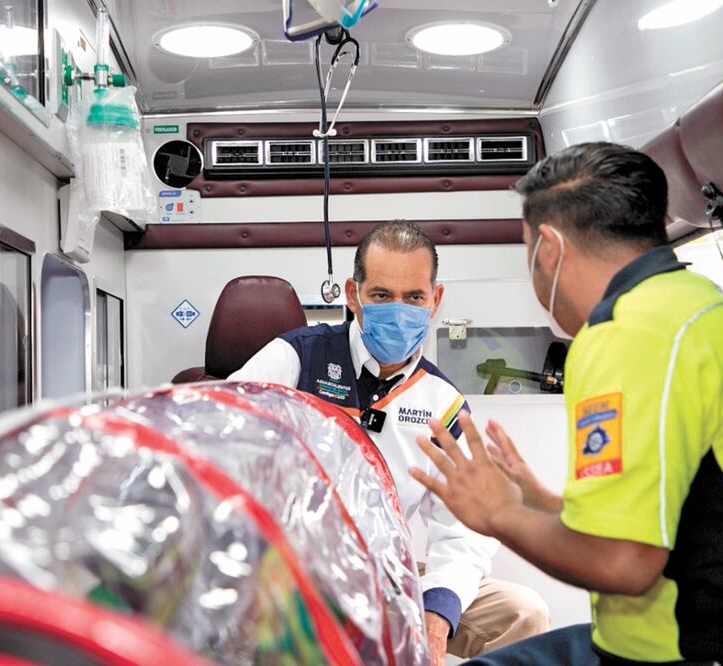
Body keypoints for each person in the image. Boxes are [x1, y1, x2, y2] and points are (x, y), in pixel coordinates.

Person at [410, 142, 723, 665]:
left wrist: (499, 513)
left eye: (526, 249)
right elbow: (660, 526)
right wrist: (533, 498)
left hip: (690, 652)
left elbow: (624, 563)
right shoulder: (698, 310)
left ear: (548, 249)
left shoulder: (626, 337)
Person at [230, 221, 549, 663]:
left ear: (434, 301)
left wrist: (437, 616)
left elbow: (465, 529)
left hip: (384, 572)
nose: (398, 311)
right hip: (288, 569)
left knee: (522, 614)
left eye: (414, 297)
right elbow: (216, 434)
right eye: (381, 295)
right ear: (353, 293)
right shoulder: (294, 359)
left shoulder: (443, 404)